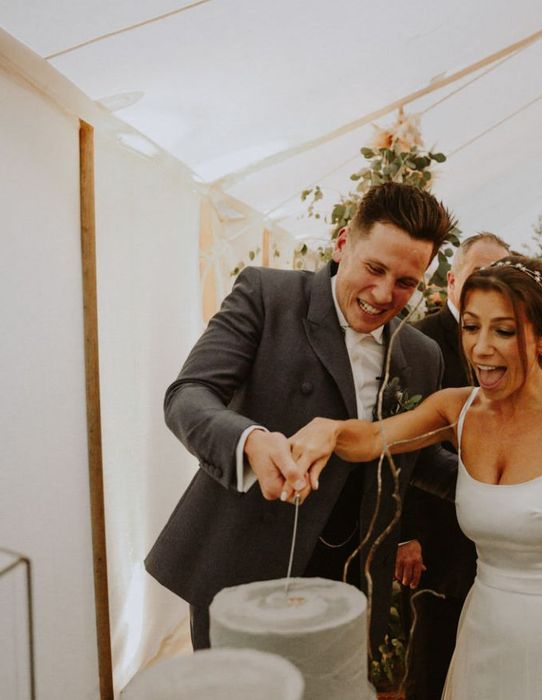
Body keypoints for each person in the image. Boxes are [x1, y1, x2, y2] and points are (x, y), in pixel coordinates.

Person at [291, 255, 542, 699]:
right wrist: (330, 430)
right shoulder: (457, 409)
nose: (481, 348)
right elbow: (371, 440)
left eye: (504, 331)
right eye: (472, 327)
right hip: (485, 631)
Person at [144, 182, 456, 652]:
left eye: (406, 282)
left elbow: (418, 459)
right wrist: (249, 440)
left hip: (348, 581)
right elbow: (189, 395)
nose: (383, 293)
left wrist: (511, 477)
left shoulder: (422, 353)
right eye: (374, 269)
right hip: (247, 566)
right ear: (343, 242)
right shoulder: (268, 295)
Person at [400, 232, 511, 700]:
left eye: (499, 277)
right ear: (452, 279)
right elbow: (402, 447)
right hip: (434, 535)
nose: (488, 286)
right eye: (478, 275)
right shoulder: (416, 340)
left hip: (499, 538)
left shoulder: (513, 343)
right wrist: (406, 534)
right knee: (431, 655)